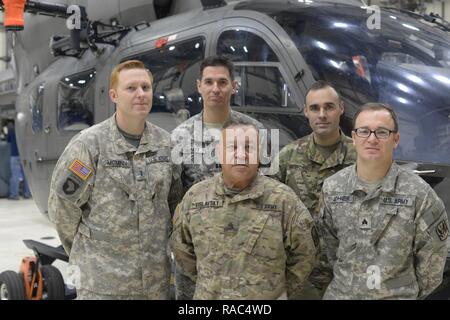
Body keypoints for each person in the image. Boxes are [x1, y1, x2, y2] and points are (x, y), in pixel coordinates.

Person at [48, 60, 183, 300]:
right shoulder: (89, 145)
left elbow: (174, 205)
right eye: (131, 88)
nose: (140, 94)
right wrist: (87, 256)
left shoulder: (165, 144)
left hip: (155, 285)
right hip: (103, 285)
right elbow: (63, 209)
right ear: (114, 95)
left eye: (146, 87)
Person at [170, 120, 318, 299]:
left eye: (249, 147)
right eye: (233, 147)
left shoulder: (283, 200)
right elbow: (181, 249)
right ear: (219, 152)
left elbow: (305, 255)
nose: (241, 154)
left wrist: (273, 290)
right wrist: (214, 284)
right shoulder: (196, 197)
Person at [319, 103, 448, 299]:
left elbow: (433, 262)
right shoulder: (332, 188)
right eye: (364, 131)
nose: (372, 139)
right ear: (353, 137)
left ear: (395, 139)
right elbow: (327, 254)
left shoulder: (419, 194)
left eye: (382, 132)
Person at [171, 55, 265, 299]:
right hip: (198, 256)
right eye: (209, 82)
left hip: (246, 251)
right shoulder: (181, 136)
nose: (215, 89)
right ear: (199, 86)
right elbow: (173, 199)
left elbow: (268, 188)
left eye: (222, 82)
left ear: (234, 86)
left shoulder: (254, 131)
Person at [272, 80, 356, 299]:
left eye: (329, 107)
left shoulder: (361, 157)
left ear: (341, 109)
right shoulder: (287, 157)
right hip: (301, 278)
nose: (322, 114)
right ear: (306, 112)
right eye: (315, 108)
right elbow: (268, 211)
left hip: (349, 277)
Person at [7, 121, 31, 200]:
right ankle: (27, 194)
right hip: (24, 155)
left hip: (14, 155)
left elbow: (8, 141)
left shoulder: (11, 130)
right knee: (26, 176)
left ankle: (15, 195)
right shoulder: (23, 129)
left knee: (15, 176)